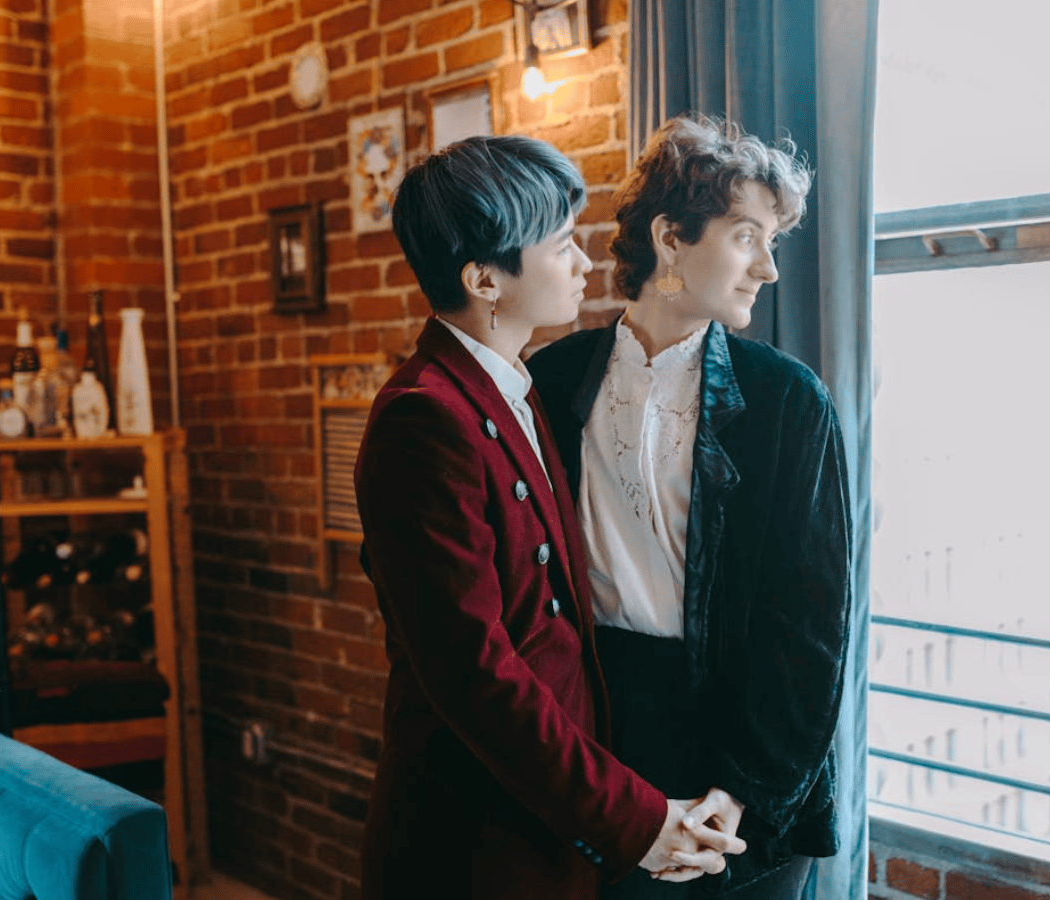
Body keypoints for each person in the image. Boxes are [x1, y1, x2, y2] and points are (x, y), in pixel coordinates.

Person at [354, 134, 746, 900]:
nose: (584, 263)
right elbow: (478, 674)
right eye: (562, 244)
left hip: (544, 819)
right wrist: (636, 821)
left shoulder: (518, 388)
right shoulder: (422, 418)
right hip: (471, 841)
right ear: (484, 280)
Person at [528, 115, 854, 899]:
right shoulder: (549, 382)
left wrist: (740, 792)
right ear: (672, 236)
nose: (769, 269)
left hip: (753, 752)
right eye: (748, 237)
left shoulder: (788, 400)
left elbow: (813, 628)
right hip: (606, 738)